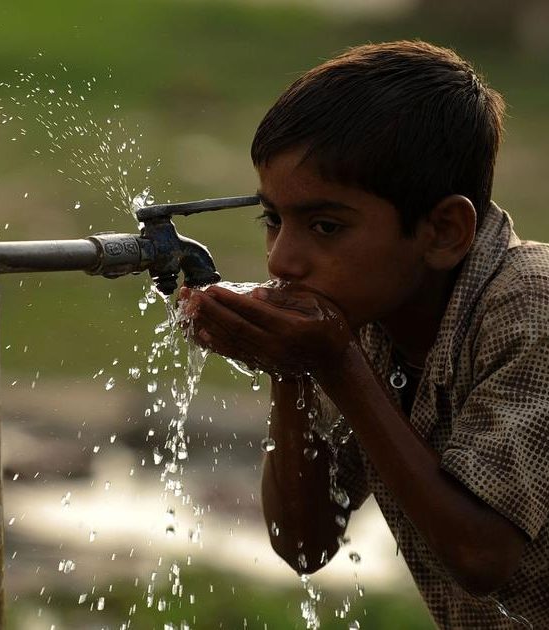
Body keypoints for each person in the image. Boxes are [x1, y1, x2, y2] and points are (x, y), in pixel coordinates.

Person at [182, 41, 548, 627]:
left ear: (444, 232)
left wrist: (338, 366)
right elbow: (305, 543)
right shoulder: (367, 315)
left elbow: (483, 555)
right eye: (273, 220)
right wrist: (291, 367)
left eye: (325, 226)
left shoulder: (531, 307)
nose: (282, 260)